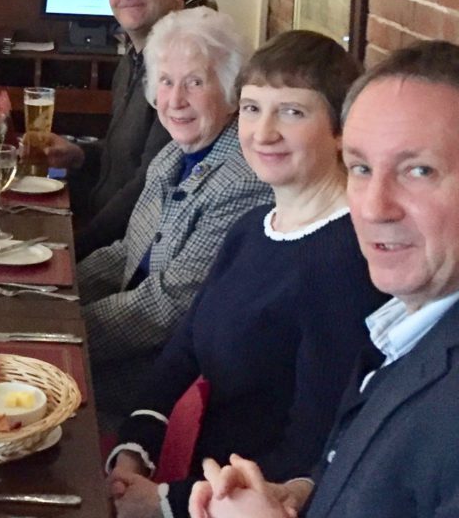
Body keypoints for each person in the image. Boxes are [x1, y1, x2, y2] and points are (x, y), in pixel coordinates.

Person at [105, 31, 385, 518]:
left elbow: (310, 448)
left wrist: (164, 502)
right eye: (253, 109)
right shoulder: (253, 228)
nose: (263, 132)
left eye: (292, 112)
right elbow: (183, 351)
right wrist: (134, 449)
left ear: (341, 130)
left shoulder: (346, 261)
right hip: (194, 481)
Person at [188, 41, 459, 518]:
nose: (375, 207)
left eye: (418, 171)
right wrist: (298, 494)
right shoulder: (403, 326)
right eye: (361, 168)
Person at [77, 7, 271, 431]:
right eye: (166, 81)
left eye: (195, 83)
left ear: (230, 91)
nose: (175, 100)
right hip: (123, 351)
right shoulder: (172, 156)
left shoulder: (244, 181)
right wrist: (59, 292)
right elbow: (128, 252)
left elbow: (168, 307)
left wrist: (70, 331)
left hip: (155, 383)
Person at [43, 0, 187, 260]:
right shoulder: (131, 60)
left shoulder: (179, 74)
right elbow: (124, 156)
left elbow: (149, 185)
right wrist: (79, 154)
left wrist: (76, 251)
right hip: (99, 227)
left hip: (129, 254)